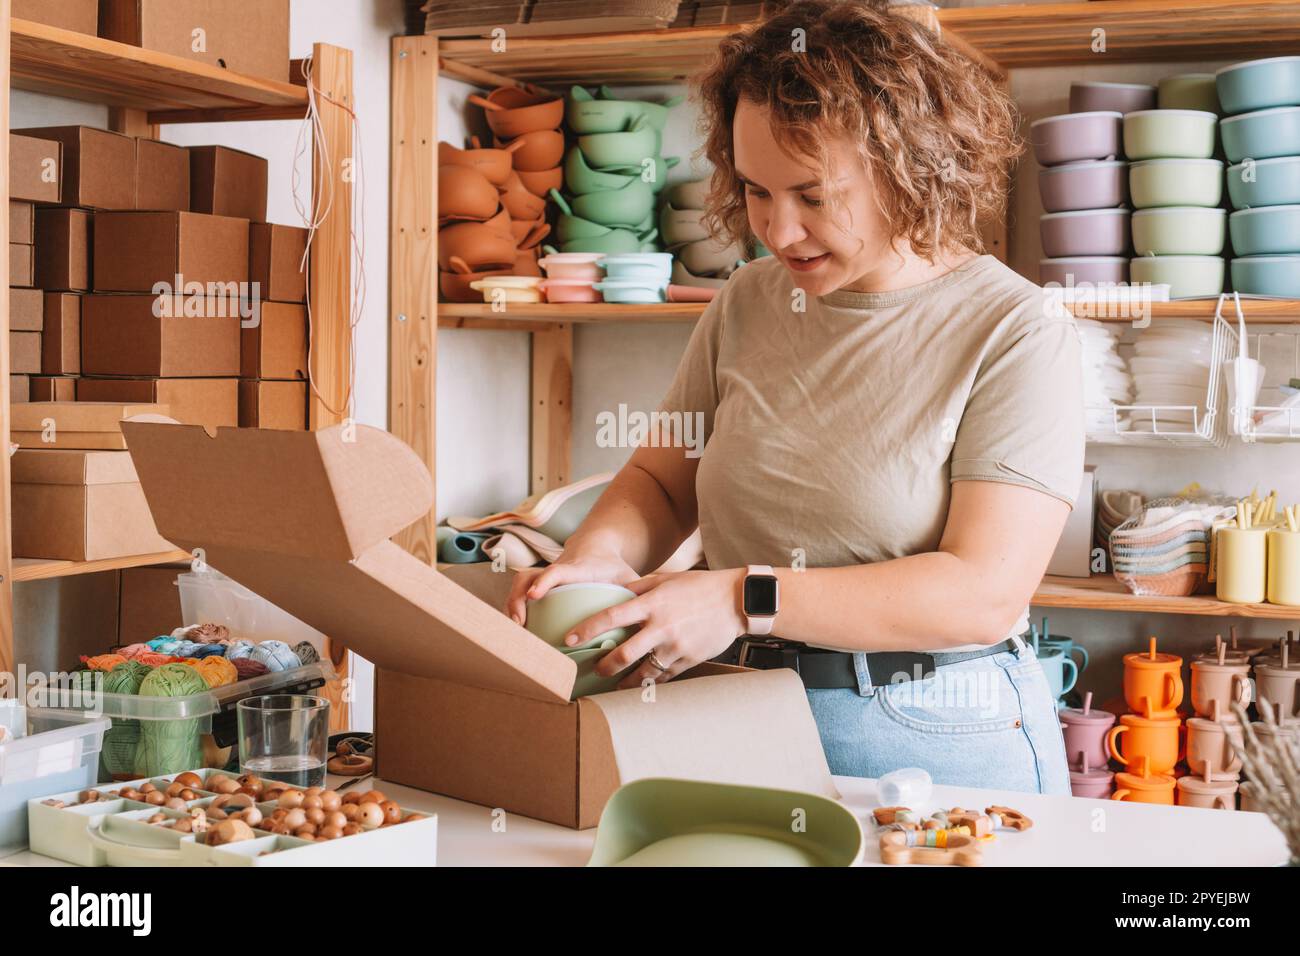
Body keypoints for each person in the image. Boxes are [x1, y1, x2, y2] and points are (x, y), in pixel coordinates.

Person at [507, 0, 1083, 794]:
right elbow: (660, 481)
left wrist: (747, 600)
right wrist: (598, 557)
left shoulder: (1016, 328)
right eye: (755, 191)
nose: (777, 231)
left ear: (909, 168)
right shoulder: (746, 301)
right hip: (733, 711)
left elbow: (981, 593)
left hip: (930, 733)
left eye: (813, 196)